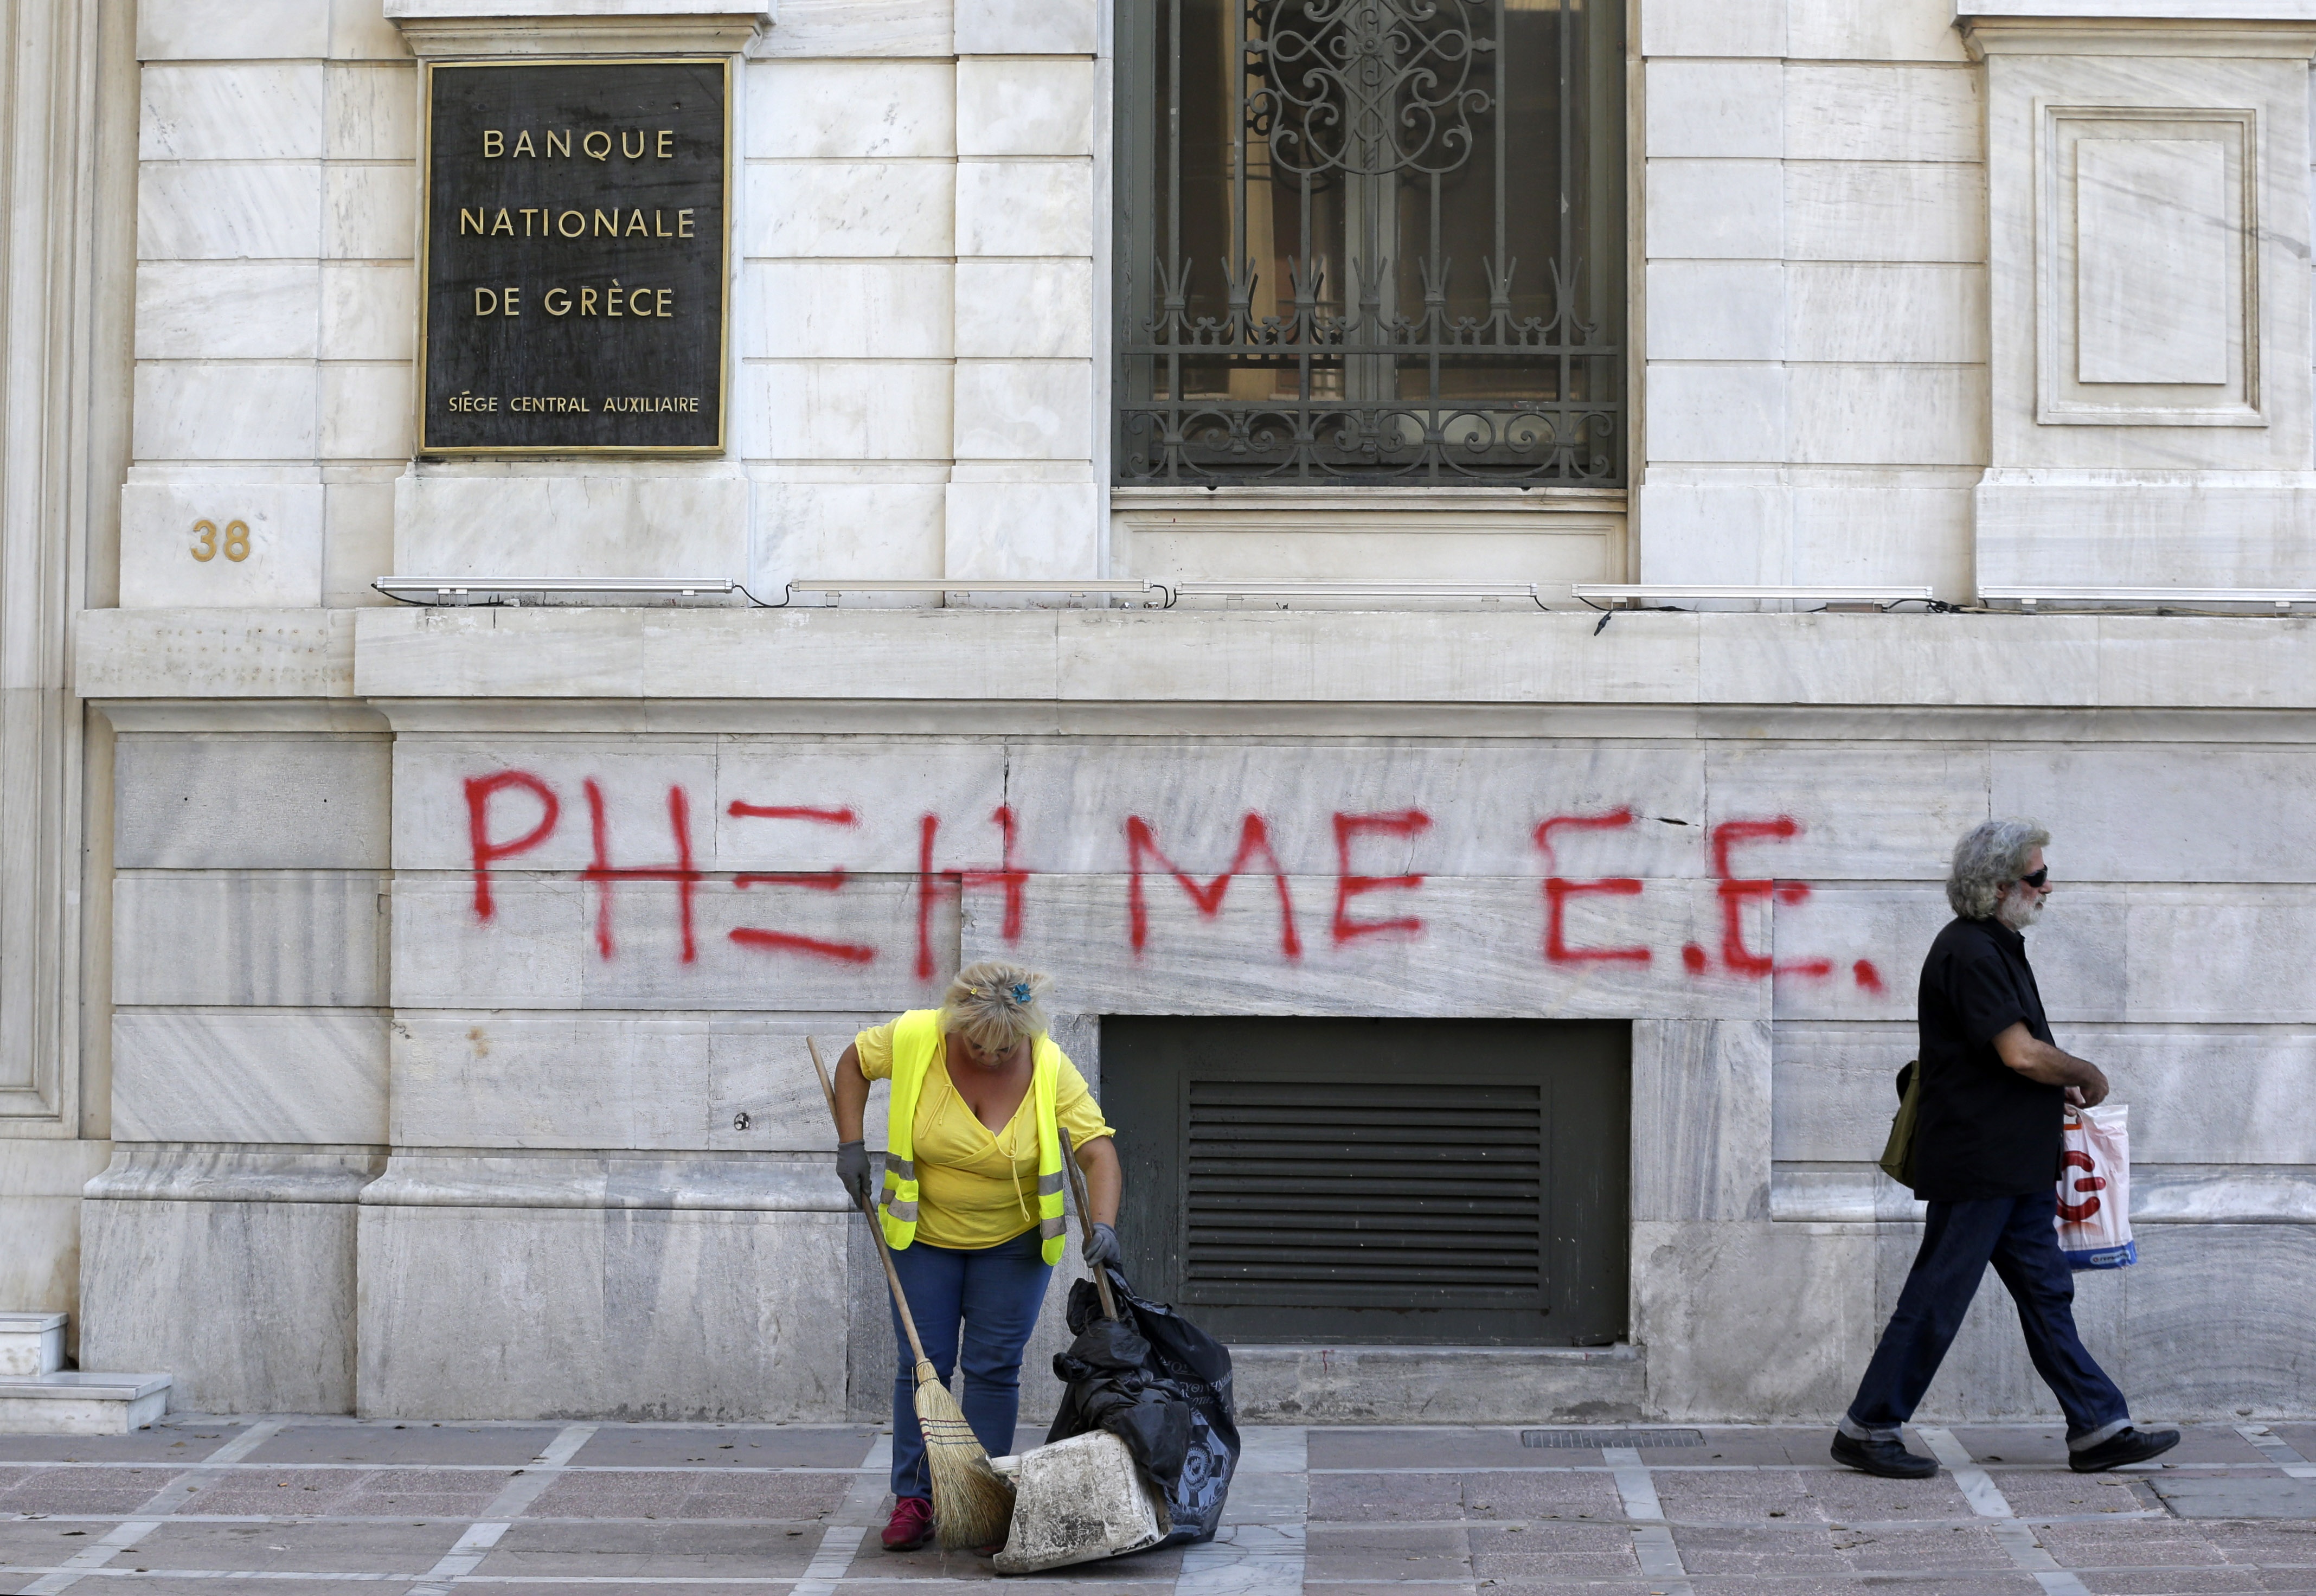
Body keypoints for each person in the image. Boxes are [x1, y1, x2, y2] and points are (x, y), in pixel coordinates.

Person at [1832, 819, 2180, 1479]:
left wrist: (2057, 1096)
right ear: (1997, 887)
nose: (2047, 887)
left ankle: (2098, 1427)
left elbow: (2009, 1061)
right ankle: (1868, 1426)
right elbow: (2018, 1054)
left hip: (2013, 1160)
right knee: (1937, 1294)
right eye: (2036, 877)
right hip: (1979, 1161)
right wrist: (2083, 1072)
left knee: (2046, 1293)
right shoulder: (1970, 951)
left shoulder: (1997, 945)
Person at [830, 960, 1122, 1552]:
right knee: (924, 1368)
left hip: (1014, 1248)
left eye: (1005, 1047)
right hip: (922, 1240)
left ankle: (984, 1495)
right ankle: (915, 1498)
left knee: (993, 1370)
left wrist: (1105, 1224)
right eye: (978, 1045)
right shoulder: (915, 1037)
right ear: (956, 1023)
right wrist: (850, 1143)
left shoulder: (1047, 1065)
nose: (991, 1057)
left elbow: (1098, 1152)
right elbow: (854, 1063)